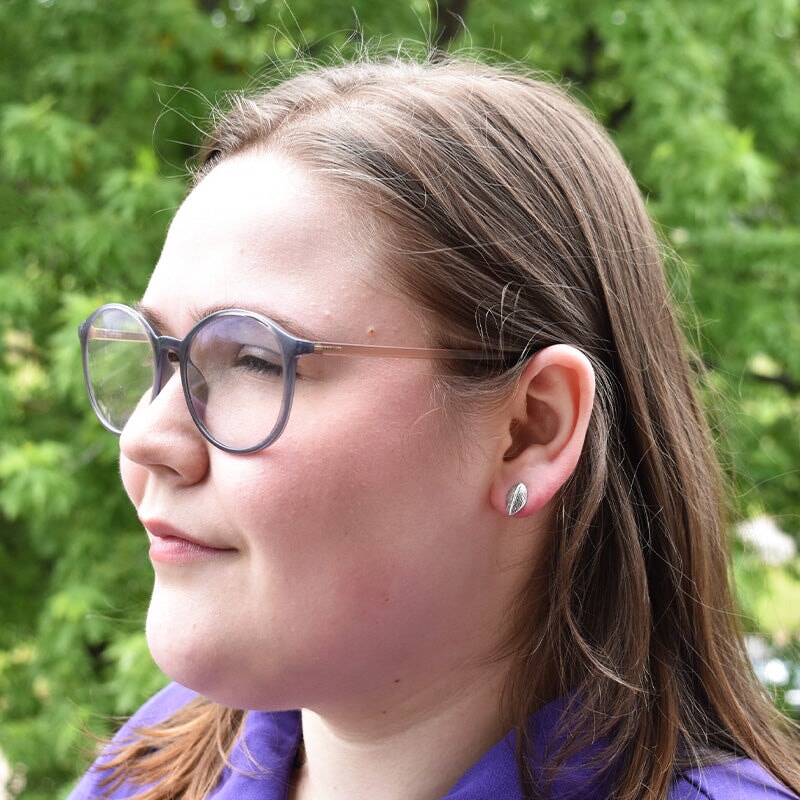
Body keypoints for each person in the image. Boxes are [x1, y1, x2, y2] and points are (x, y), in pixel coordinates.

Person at [69, 55, 800, 800]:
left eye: (255, 360)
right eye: (159, 355)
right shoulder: (147, 768)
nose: (147, 439)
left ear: (531, 431)